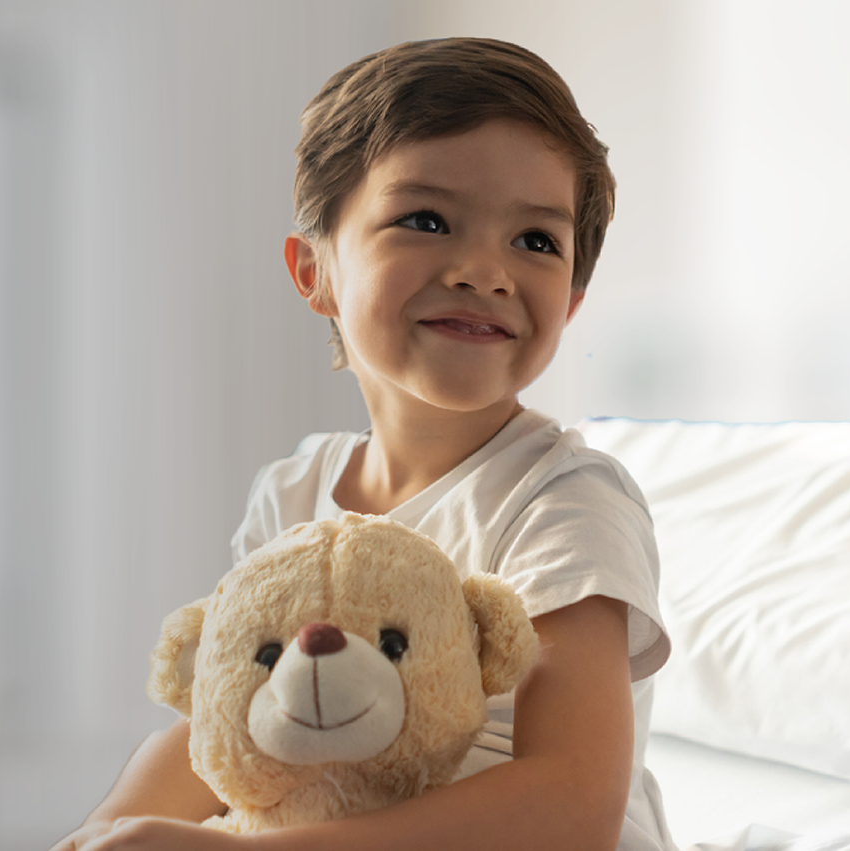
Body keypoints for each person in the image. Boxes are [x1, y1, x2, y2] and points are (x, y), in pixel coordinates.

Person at [51, 38, 672, 851]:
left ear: (573, 301)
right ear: (315, 271)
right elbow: (224, 721)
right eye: (426, 220)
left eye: (535, 241)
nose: (485, 270)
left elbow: (571, 803)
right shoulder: (293, 490)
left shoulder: (564, 497)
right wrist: (103, 831)